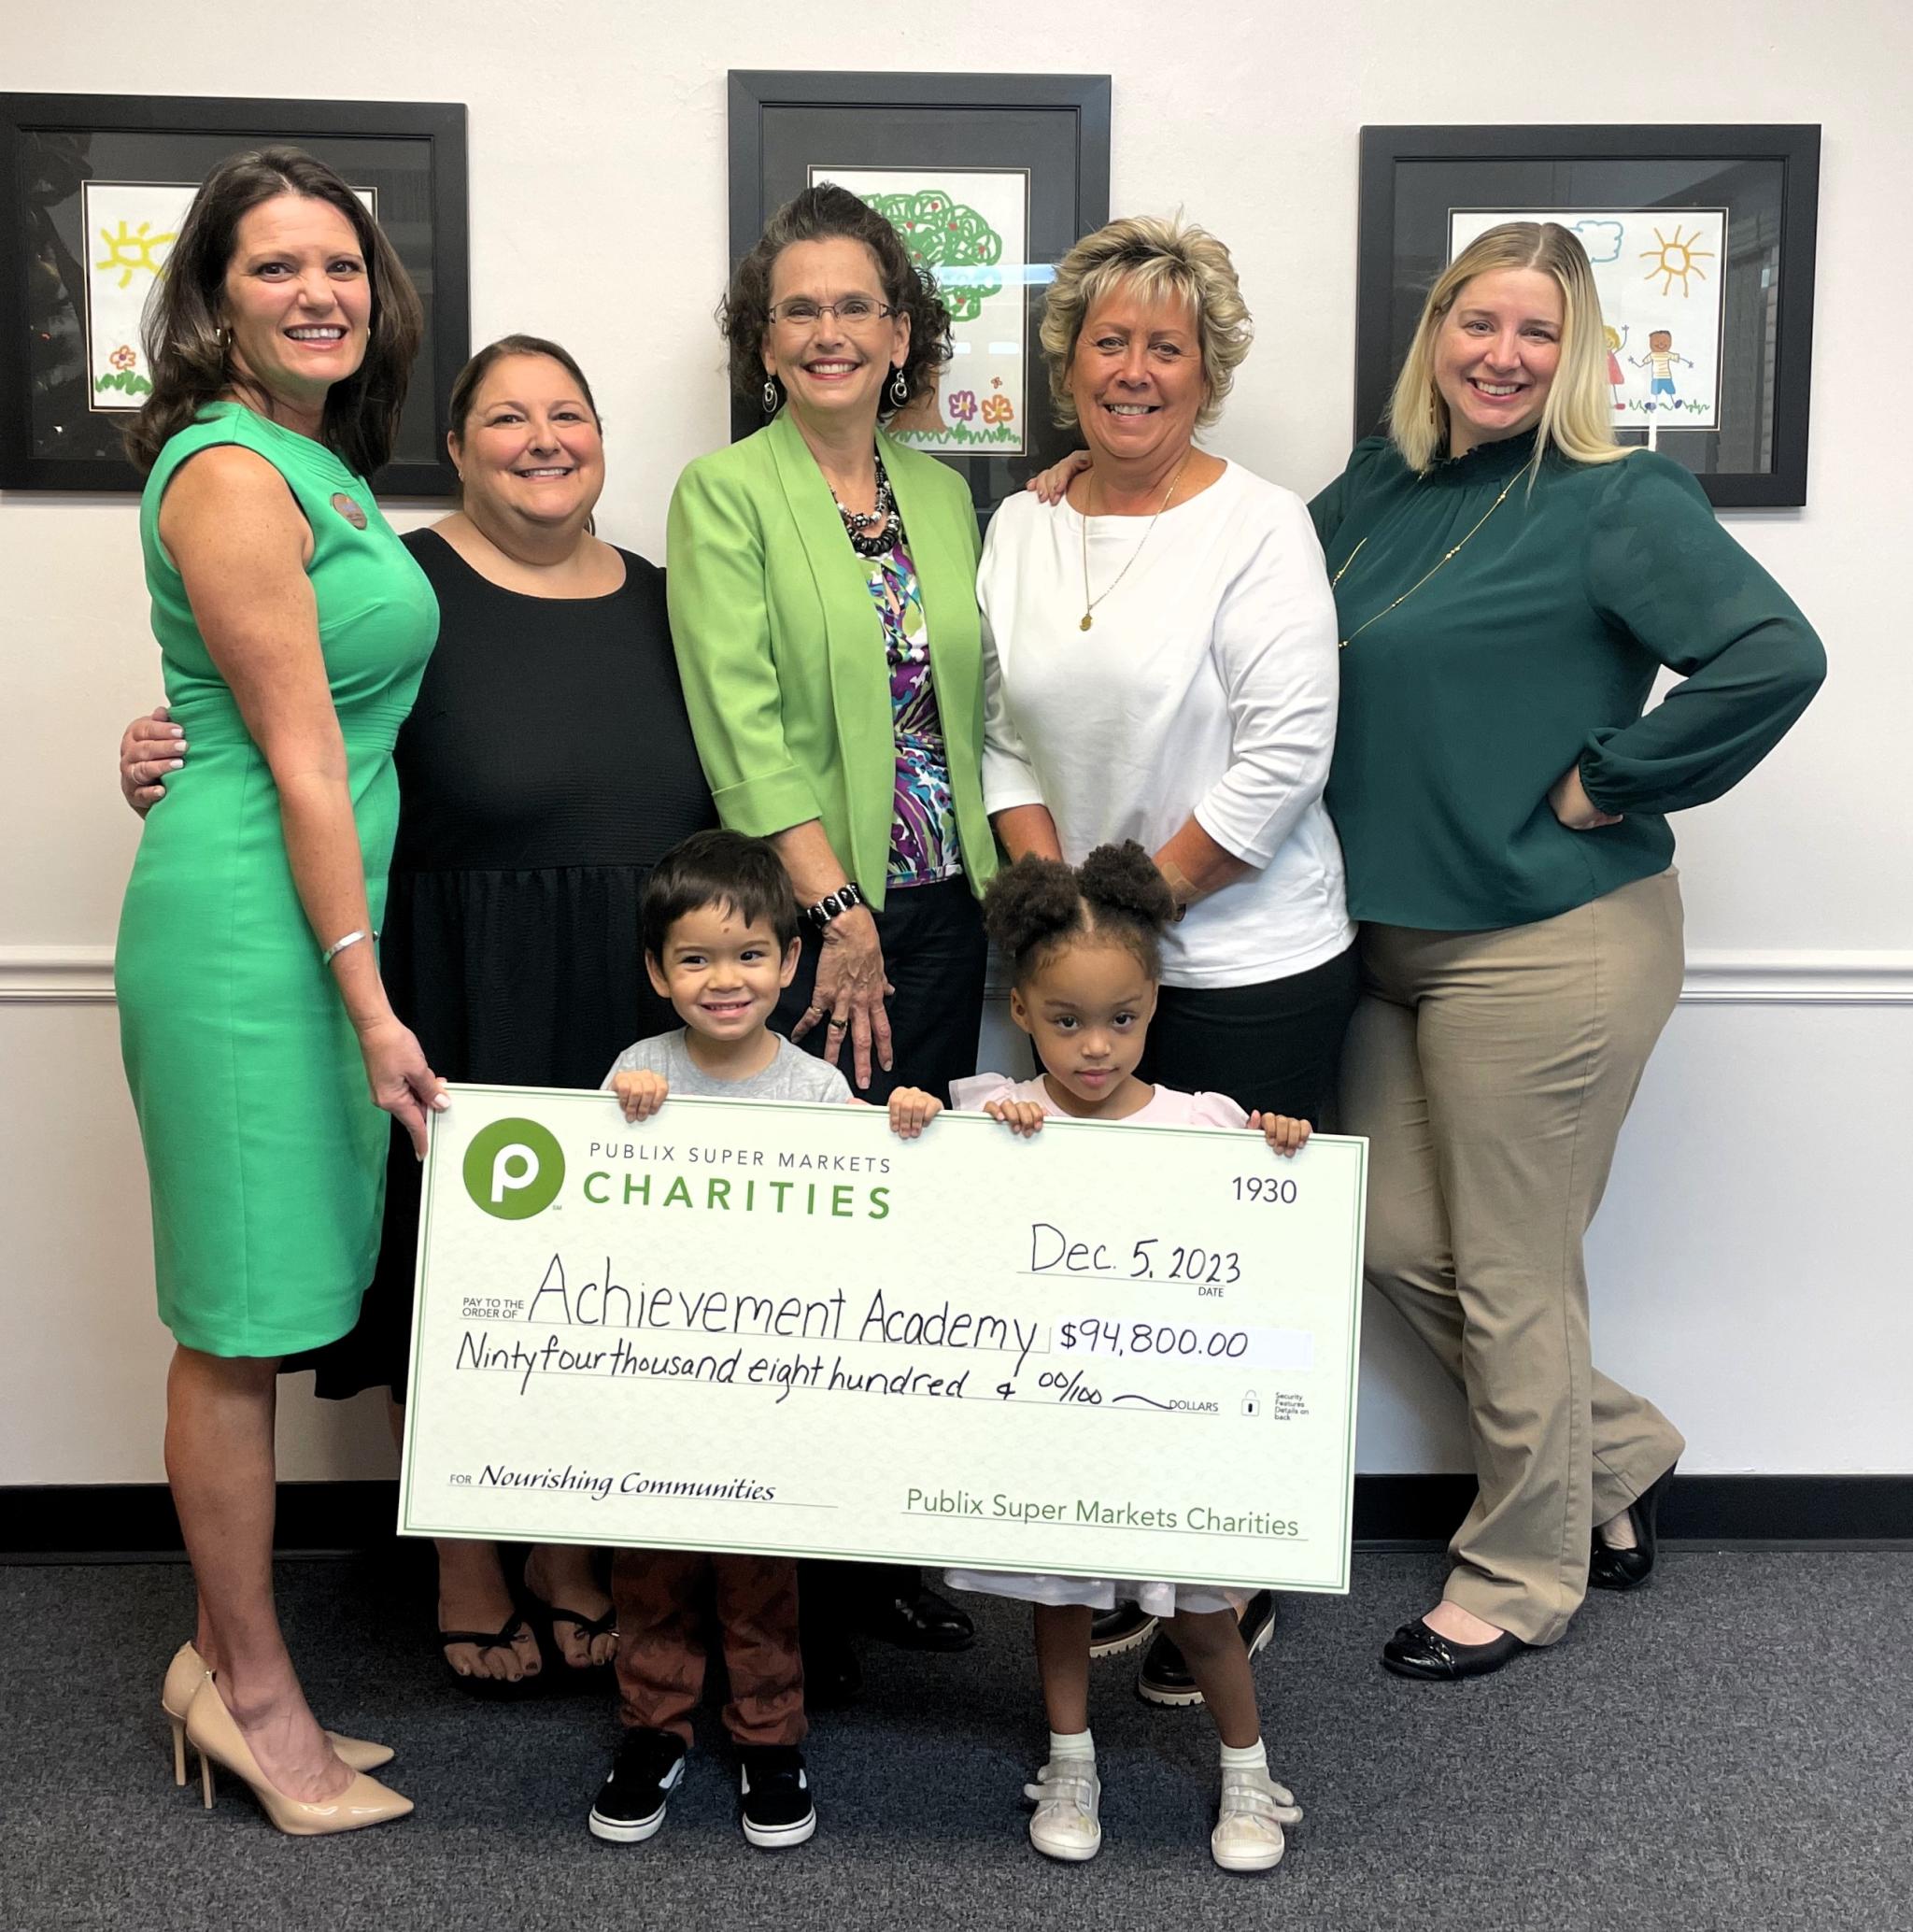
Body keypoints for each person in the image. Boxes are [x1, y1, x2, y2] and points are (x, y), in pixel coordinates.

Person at [121, 334, 716, 1694]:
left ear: (603, 436)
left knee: (597, 1280)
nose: (542, 438)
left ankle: (564, 1546)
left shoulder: (669, 597)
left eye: (568, 412)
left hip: (625, 982)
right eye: (505, 417)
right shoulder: (404, 582)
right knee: (453, 1277)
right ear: (454, 448)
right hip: (453, 961)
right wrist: (160, 748)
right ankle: (461, 1551)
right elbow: (286, 719)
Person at [1311, 221, 1824, 1678]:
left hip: (1551, 938)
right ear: (1437, 334)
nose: (1503, 355)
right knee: (1385, 1237)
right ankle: (1620, 1448)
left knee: (1512, 1267)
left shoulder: (1621, 496)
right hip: (1390, 939)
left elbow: (1776, 654)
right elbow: (1240, 591)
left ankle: (1523, 1572)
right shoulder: (1373, 488)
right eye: (1478, 322)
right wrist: (1090, 496)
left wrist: (1612, 777)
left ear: (1579, 352)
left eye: (1538, 331)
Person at [116, 147, 439, 1833]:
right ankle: (250, 1695)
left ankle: (215, 1659)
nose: (319, 291)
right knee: (233, 1329)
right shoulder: (232, 468)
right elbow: (302, 757)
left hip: (303, 916)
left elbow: (255, 707)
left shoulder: (318, 463)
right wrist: (368, 999)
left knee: (258, 1308)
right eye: (274, 267)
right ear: (213, 298)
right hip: (256, 935)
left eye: (342, 264)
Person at [984, 215, 1348, 1695]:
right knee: (1096, 1290)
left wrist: (1129, 917)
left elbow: (1286, 756)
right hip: (1081, 973)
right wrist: (1058, 925)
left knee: (1222, 1296)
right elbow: (1002, 734)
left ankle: (1230, 1582)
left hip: (1248, 962)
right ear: (1068, 363)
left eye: (1168, 347)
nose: (1135, 370)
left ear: (1209, 371)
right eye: (1109, 342)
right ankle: (1126, 1557)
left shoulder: (1259, 524)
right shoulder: (1024, 522)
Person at [665, 181, 998, 1663]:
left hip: (946, 909)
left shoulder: (947, 497)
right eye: (798, 308)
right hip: (813, 928)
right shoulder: (725, 493)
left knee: (913, 1227)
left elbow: (971, 704)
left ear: (902, 330)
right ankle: (777, 1574)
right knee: (803, 1244)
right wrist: (836, 905)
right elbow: (738, 720)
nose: (828, 331)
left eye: (856, 304)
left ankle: (882, 1552)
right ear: (762, 340)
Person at [946, 845, 1308, 1872]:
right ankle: (1070, 1761)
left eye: (1121, 1019)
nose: (1095, 1047)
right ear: (1021, 1010)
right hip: (1054, 1425)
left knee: (1203, 1614)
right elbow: (938, 1224)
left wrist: (1283, 1148)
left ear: (1154, 1008)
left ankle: (1246, 1771)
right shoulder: (997, 1116)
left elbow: (1266, 1243)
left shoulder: (1203, 1125)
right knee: (1060, 1600)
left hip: (1169, 1432)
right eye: (1066, 1022)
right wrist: (970, 1134)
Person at [587, 831, 944, 1851]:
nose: (725, 979)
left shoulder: (817, 1090)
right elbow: (588, 1216)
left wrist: (907, 1121)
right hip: (657, 1387)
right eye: (695, 959)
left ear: (791, 962)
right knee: (650, 1571)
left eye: (749, 955)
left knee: (760, 1580)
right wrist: (622, 1118)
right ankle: (651, 1729)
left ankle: (769, 1737)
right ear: (657, 972)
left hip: (768, 1395)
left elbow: (873, 1207)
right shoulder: (636, 1073)